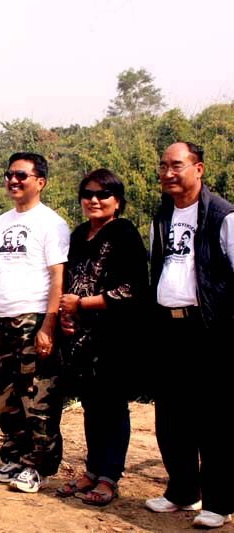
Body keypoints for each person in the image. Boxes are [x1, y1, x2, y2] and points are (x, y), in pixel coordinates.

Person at [145, 142, 234, 529]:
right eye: (163, 165)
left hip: (210, 330)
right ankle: (182, 490)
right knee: (171, 415)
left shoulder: (222, 216)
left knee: (214, 419)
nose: (167, 172)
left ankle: (219, 501)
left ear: (198, 168)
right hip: (168, 327)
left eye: (176, 165)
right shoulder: (162, 216)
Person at [55, 169, 148, 506]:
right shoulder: (80, 235)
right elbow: (69, 279)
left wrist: (82, 303)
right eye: (88, 194)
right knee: (91, 406)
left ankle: (110, 477)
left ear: (117, 201)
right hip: (82, 337)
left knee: (112, 407)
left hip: (115, 337)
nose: (94, 200)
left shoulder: (124, 234)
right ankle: (92, 471)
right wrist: (67, 314)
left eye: (103, 194)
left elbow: (133, 288)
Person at [0, 152, 70, 493]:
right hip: (3, 318)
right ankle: (15, 456)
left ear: (40, 182)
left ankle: (38, 466)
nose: (13, 181)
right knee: (6, 400)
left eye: (21, 175)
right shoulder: (3, 221)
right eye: (9, 175)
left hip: (33, 318)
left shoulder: (51, 223)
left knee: (38, 399)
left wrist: (49, 325)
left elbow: (57, 276)